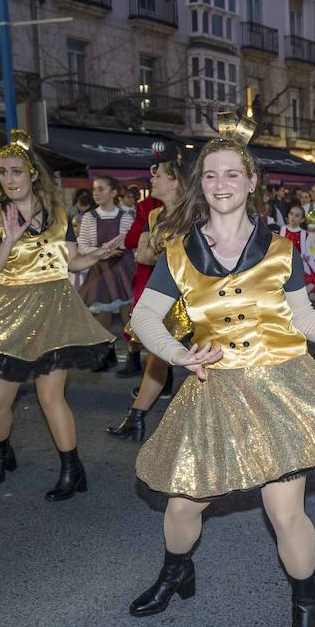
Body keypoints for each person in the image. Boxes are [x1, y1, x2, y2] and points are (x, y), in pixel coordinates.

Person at [126, 133, 315, 627]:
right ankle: (177, 572)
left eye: (232, 174)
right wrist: (178, 355)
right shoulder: (177, 252)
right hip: (213, 389)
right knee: (181, 507)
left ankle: (305, 601)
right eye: (212, 174)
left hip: (279, 386)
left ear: (250, 182)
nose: (222, 183)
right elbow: (144, 317)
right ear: (202, 183)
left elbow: (304, 316)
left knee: (285, 511)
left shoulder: (280, 248)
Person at [0, 133, 119, 499]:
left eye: (16, 171)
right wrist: (9, 239)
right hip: (8, 311)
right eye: (2, 173)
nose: (9, 179)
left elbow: (71, 261)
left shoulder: (59, 214)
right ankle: (2, 453)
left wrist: (95, 256)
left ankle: (72, 469)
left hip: (53, 309)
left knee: (52, 396)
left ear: (33, 174)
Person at [108, 148, 184, 440]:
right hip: (167, 296)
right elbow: (145, 257)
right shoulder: (154, 214)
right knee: (157, 356)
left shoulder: (194, 212)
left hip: (197, 297)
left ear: (175, 181)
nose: (153, 180)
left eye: (159, 176)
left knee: (210, 362)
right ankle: (136, 417)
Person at [77, 175, 132, 371]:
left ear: (114, 192)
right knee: (102, 315)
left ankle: (133, 358)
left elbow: (128, 242)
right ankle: (106, 355)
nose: (96, 193)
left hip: (123, 268)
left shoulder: (126, 216)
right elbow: (82, 246)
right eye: (95, 189)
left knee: (129, 316)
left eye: (101, 189)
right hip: (101, 268)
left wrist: (116, 249)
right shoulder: (89, 217)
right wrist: (101, 251)